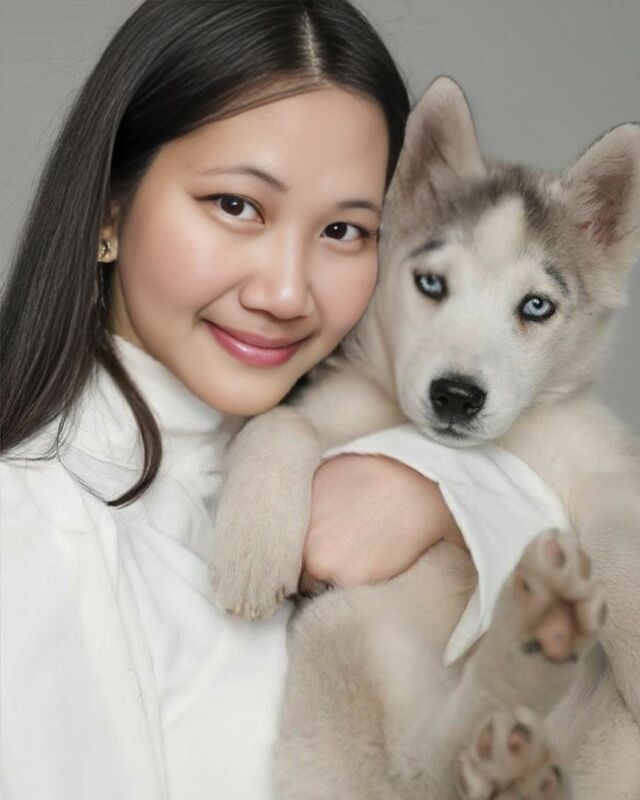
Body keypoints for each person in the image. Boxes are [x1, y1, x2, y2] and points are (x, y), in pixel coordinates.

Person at [0, 1, 566, 798]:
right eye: (236, 206)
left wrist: (447, 491)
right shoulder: (36, 530)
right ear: (108, 209)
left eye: (343, 231)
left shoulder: (334, 463)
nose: (288, 293)